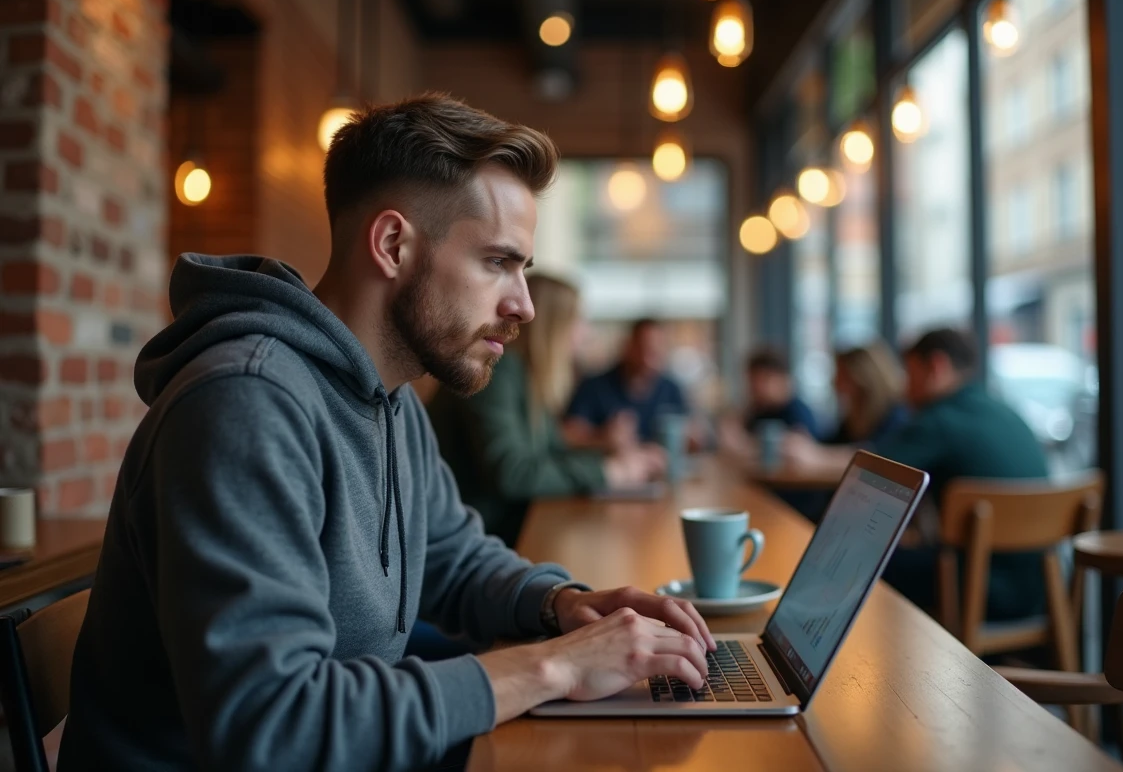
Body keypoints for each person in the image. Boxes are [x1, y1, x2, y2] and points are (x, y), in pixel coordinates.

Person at [59, 95, 715, 772]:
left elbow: (452, 559)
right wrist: (551, 668)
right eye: (498, 262)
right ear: (393, 244)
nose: (523, 305)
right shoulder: (244, 403)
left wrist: (563, 605)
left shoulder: (390, 399)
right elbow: (271, 726)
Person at [782, 328, 1049, 621]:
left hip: (982, 588)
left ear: (936, 367)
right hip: (1041, 586)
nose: (904, 388)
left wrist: (812, 457)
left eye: (910, 374)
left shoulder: (941, 420)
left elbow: (873, 466)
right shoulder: (1003, 411)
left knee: (857, 558)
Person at [428, 273, 665, 546]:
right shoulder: (497, 374)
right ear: (553, 325)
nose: (585, 333)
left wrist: (614, 456)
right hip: (472, 544)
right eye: (578, 320)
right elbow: (513, 474)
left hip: (500, 534)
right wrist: (609, 472)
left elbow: (552, 450)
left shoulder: (526, 376)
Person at [563, 318, 690, 445]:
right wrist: (602, 436)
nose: (649, 358)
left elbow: (696, 431)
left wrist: (690, 437)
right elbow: (567, 433)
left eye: (656, 350)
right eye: (644, 348)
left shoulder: (671, 389)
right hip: (608, 463)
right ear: (628, 346)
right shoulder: (594, 387)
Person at [825, 342, 908, 445]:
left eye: (842, 374)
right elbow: (833, 443)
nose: (834, 381)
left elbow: (878, 453)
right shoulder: (854, 414)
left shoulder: (895, 415)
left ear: (861, 378)